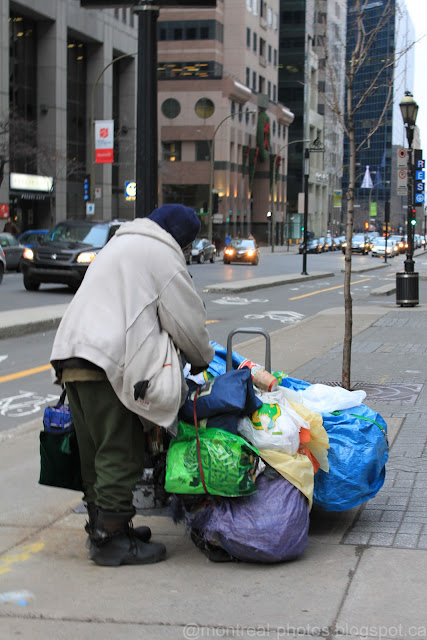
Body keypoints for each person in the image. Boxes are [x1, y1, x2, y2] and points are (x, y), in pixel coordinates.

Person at [50, 204, 214, 567]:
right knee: (119, 449)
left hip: (72, 356)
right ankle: (112, 540)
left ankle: (105, 527)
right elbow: (186, 321)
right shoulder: (162, 255)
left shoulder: (118, 245)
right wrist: (202, 357)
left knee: (93, 450)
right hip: (107, 362)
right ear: (182, 241)